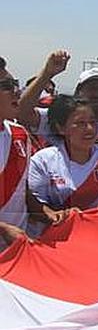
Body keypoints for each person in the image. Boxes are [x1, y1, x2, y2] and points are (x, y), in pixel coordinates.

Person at [27, 95, 98, 230]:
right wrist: (56, 215)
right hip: (56, 236)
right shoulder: (43, 160)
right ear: (60, 128)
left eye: (93, 122)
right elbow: (36, 204)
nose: (89, 129)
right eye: (80, 123)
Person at [20, 61, 98, 151]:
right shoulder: (60, 117)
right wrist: (47, 73)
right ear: (78, 92)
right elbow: (23, 113)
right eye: (92, 88)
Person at [0, 71, 32, 246]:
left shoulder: (20, 134)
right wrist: (3, 228)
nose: (16, 92)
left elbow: (23, 190)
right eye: (6, 86)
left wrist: (49, 212)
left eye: (15, 84)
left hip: (15, 252)